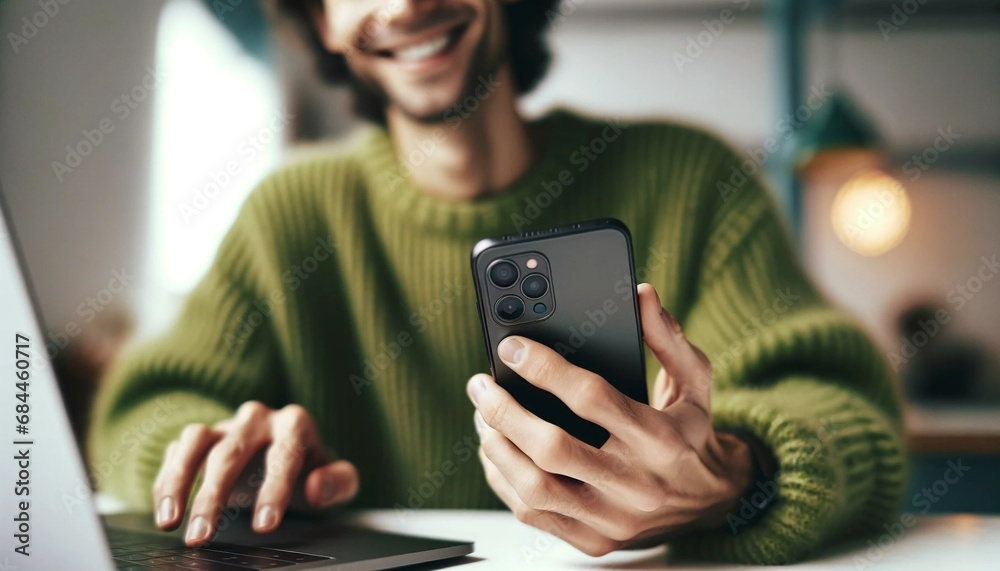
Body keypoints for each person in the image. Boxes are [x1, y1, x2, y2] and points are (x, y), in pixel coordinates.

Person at [88, 0, 906, 564]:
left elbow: (847, 413)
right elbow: (148, 409)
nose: (405, 6)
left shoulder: (692, 178)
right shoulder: (287, 214)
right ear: (320, 20)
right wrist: (225, 465)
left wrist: (736, 477)